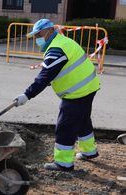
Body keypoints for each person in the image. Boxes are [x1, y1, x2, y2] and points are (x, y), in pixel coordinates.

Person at [14, 19, 100, 171]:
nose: (36, 39)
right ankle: (89, 151)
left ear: (49, 30)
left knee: (65, 126)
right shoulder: (62, 41)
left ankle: (63, 163)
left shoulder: (56, 49)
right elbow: (57, 71)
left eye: (38, 35)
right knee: (82, 119)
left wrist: (26, 95)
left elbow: (44, 77)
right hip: (88, 87)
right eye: (34, 36)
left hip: (77, 92)